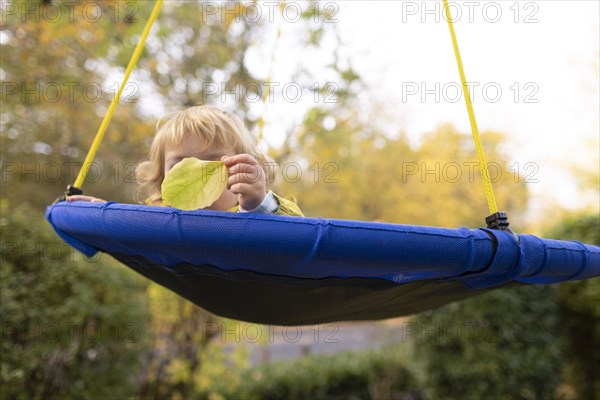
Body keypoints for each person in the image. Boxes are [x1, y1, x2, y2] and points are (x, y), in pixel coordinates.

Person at [67, 105, 303, 217]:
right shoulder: (156, 219)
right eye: (180, 165)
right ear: (161, 182)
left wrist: (255, 205)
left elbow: (298, 235)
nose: (196, 176)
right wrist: (105, 215)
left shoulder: (257, 210)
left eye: (214, 164)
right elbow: (130, 231)